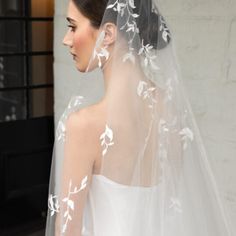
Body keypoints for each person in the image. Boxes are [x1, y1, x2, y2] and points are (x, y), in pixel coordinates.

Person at [45, 0, 233, 235]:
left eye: (72, 27)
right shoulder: (172, 111)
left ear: (108, 33)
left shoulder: (84, 126)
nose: (66, 39)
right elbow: (171, 209)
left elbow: (68, 231)